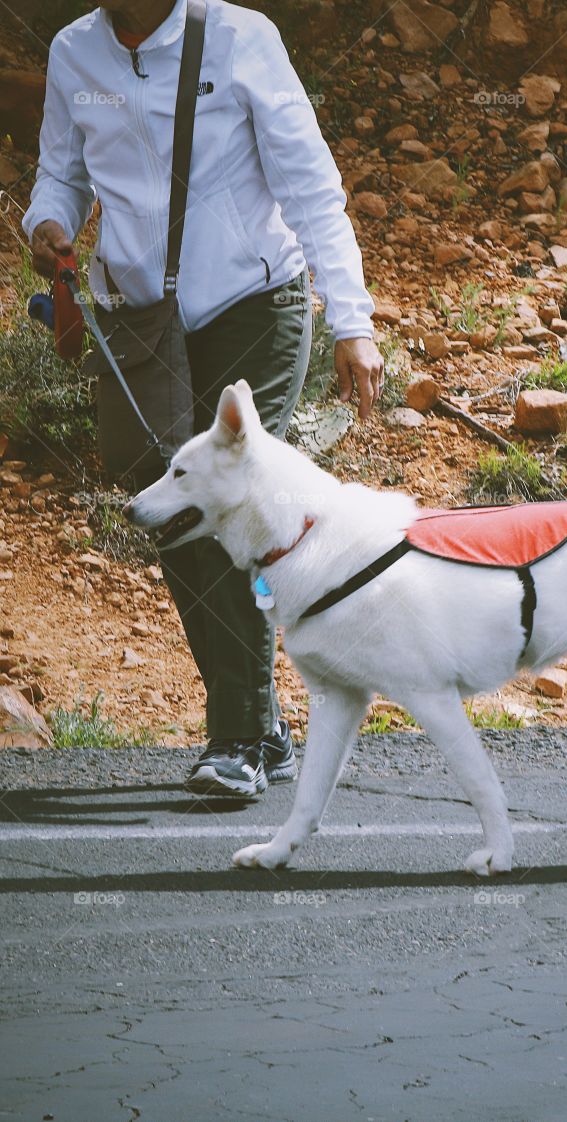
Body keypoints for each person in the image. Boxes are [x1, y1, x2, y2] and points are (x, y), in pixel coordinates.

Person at [25, 0, 384, 796]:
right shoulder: (73, 52)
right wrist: (49, 220)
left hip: (254, 305)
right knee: (172, 508)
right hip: (139, 316)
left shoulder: (240, 37)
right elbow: (63, 172)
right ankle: (263, 725)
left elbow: (313, 187)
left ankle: (238, 738)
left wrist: (351, 320)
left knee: (230, 506)